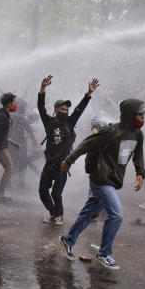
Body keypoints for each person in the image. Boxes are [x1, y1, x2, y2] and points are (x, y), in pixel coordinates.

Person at [58, 99, 145, 270]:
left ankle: (68, 239)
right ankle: (104, 253)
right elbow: (87, 143)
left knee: (90, 213)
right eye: (140, 115)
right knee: (116, 214)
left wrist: (140, 172)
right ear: (129, 115)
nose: (143, 119)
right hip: (100, 178)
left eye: (144, 116)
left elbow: (138, 153)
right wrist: (69, 160)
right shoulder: (111, 131)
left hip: (113, 180)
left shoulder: (138, 134)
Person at [37, 76, 98, 225]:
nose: (65, 111)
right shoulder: (49, 122)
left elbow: (79, 109)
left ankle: (60, 215)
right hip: (49, 162)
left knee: (56, 193)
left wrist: (88, 94)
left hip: (63, 163)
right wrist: (43, 88)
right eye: (62, 109)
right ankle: (53, 213)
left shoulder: (70, 122)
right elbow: (40, 107)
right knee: (42, 190)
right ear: (56, 109)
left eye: (67, 109)